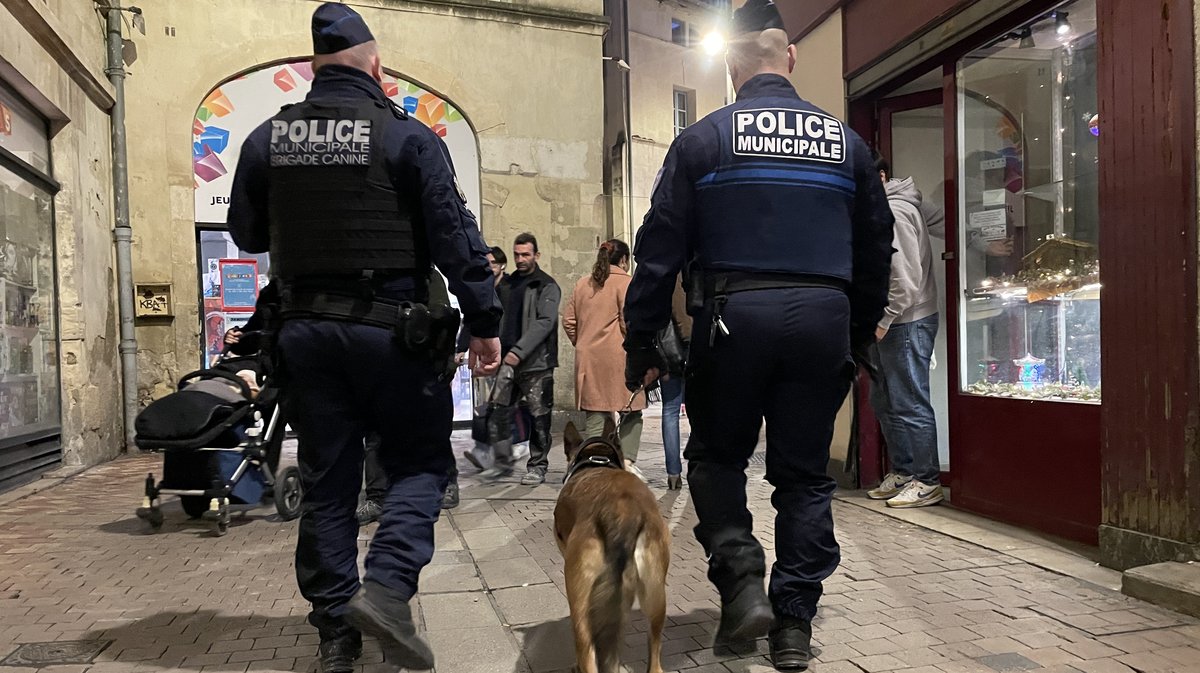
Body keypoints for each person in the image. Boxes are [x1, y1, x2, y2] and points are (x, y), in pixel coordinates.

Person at [224, 5, 502, 672]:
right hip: (392, 333)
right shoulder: (405, 137)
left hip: (307, 336)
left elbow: (248, 235)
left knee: (326, 481)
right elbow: (455, 237)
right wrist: (487, 321)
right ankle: (385, 585)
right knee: (419, 463)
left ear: (313, 69)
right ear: (376, 69)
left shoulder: (267, 139)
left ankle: (335, 637)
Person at [621, 0, 895, 669]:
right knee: (804, 478)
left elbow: (657, 252)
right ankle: (794, 624)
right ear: (789, 57)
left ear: (733, 62)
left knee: (716, 458)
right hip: (823, 321)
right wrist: (858, 334)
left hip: (733, 321)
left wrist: (641, 343)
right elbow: (876, 247)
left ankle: (743, 581)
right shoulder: (846, 144)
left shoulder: (705, 139)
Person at [867, 153, 944, 508]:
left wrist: (883, 320)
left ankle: (926, 480)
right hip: (897, 319)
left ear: (880, 176)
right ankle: (904, 470)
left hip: (906, 320)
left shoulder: (894, 211)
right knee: (885, 399)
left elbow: (905, 279)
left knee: (909, 400)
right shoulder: (890, 206)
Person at [562, 239, 649, 481]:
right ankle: (627, 461)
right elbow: (628, 321)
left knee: (596, 414)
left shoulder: (582, 284)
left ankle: (590, 464)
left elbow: (568, 320)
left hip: (588, 359)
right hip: (618, 358)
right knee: (631, 411)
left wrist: (583, 342)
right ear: (623, 260)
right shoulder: (626, 283)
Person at [478, 233, 561, 485]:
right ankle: (502, 463)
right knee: (498, 413)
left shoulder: (546, 285)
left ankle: (538, 466)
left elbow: (544, 323)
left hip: (536, 363)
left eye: (525, 254)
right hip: (506, 362)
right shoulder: (509, 284)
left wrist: (518, 352)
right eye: (517, 254)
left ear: (536, 255)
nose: (520, 259)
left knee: (539, 416)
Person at [660, 279, 691, 490]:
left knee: (670, 411)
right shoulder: (681, 276)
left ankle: (673, 473)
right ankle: (698, 467)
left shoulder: (662, 275)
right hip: (686, 350)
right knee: (698, 410)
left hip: (667, 353)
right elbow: (684, 319)